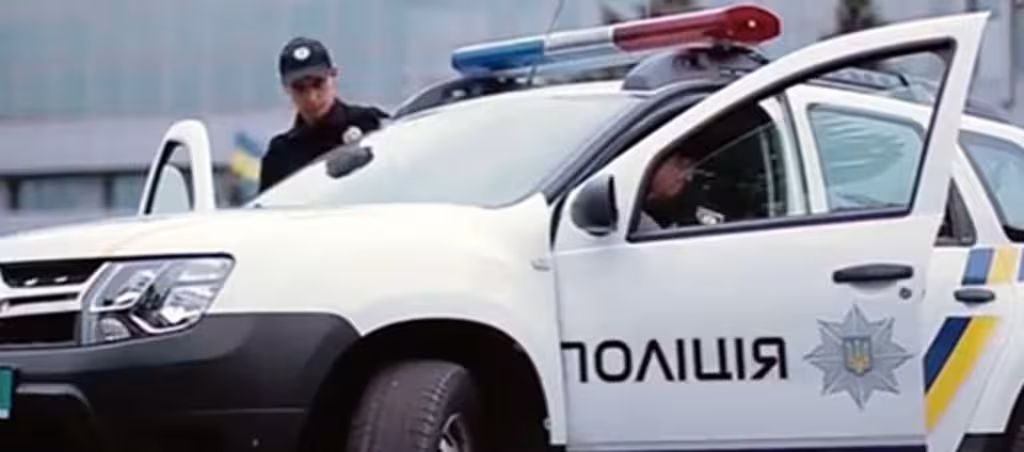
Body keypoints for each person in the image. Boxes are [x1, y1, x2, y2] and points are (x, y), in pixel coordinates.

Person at [258, 36, 390, 192]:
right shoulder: (281, 155)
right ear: (286, 88)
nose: (311, 97)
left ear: (333, 75)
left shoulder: (371, 124)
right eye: (300, 88)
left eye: (318, 84)